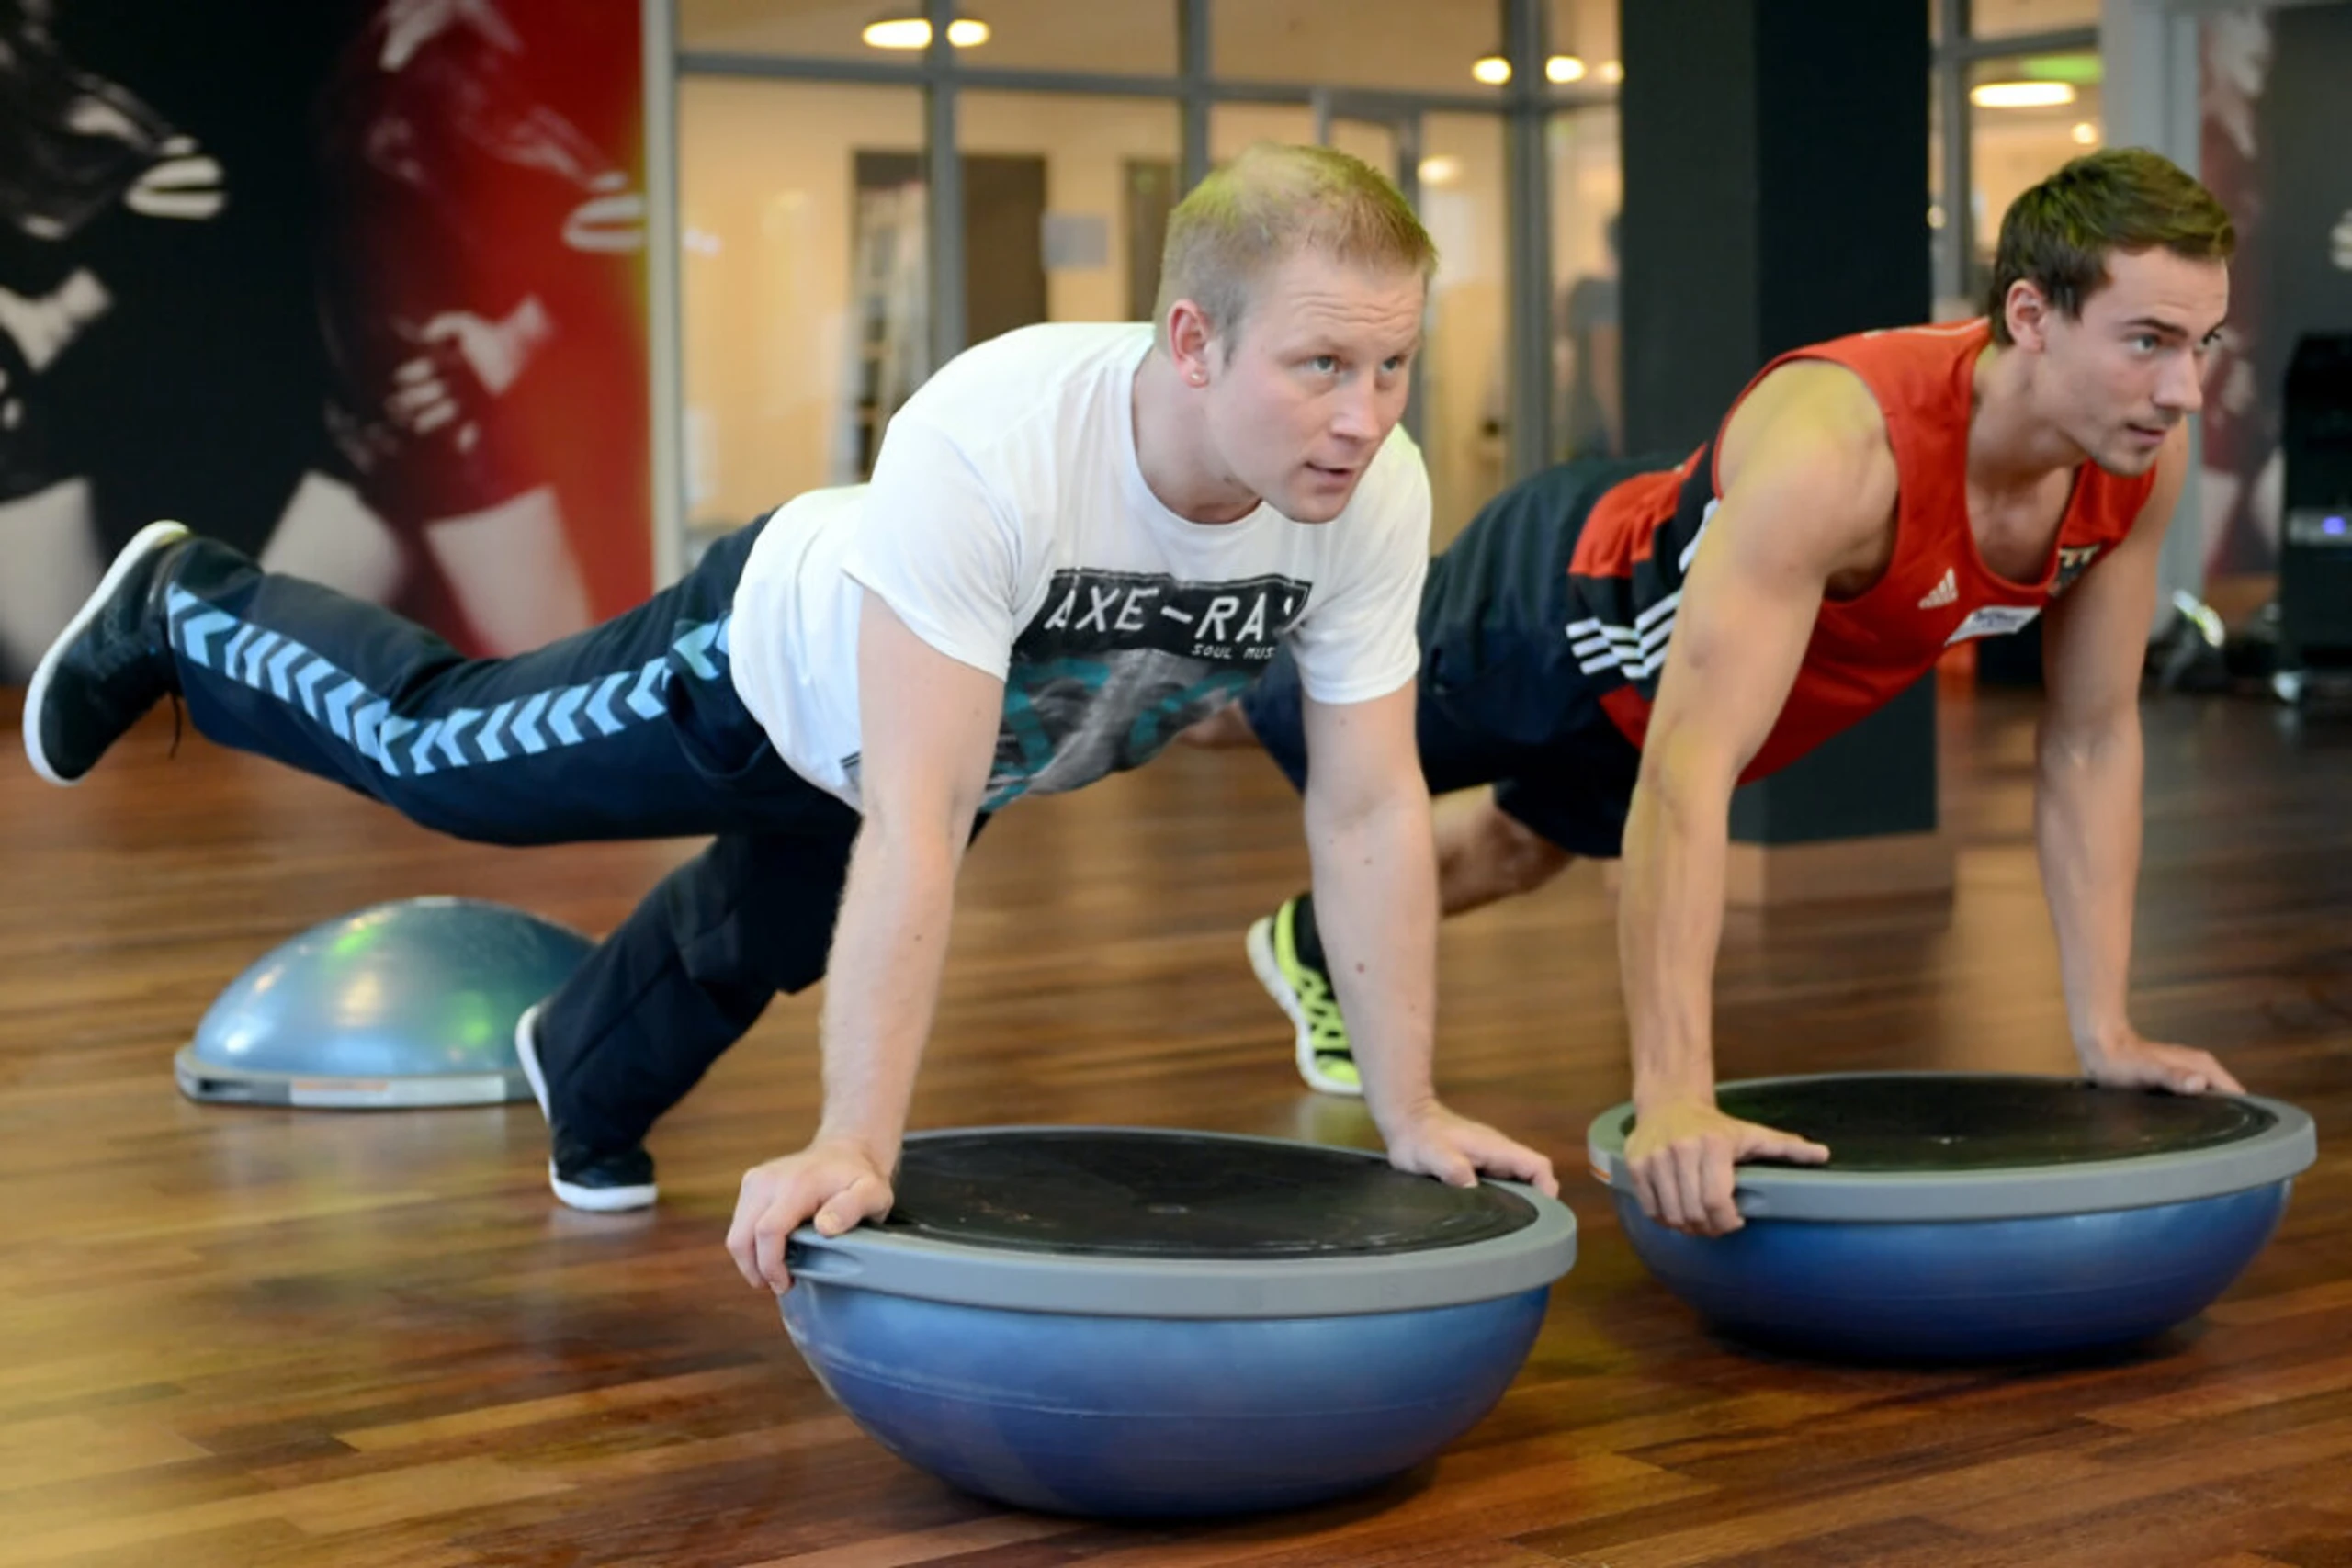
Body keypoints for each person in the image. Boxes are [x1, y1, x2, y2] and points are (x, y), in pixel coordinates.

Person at [20, 141, 1557, 1288]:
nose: (1365, 416)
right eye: (1321, 365)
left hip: (916, 767)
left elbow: (1363, 806)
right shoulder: (1003, 438)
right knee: (448, 760)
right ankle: (191, 607)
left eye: (1392, 365)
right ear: (1192, 341)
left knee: (760, 935)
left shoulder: (1368, 497)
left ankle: (586, 1068)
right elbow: (915, 817)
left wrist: (1410, 1106)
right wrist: (858, 1144)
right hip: (762, 670)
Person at [1194, 147, 2245, 1238]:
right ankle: (1100, 671)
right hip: (1557, 616)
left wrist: (2106, 1033)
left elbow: (2089, 741)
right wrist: (1676, 1096)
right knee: (1244, 706)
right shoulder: (1842, 452)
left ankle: (1312, 943)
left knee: (1519, 847)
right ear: (2030, 314)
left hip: (1663, 705)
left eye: (2202, 343)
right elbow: (1690, 775)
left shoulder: (2132, 466)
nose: (2184, 390)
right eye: (2147, 342)